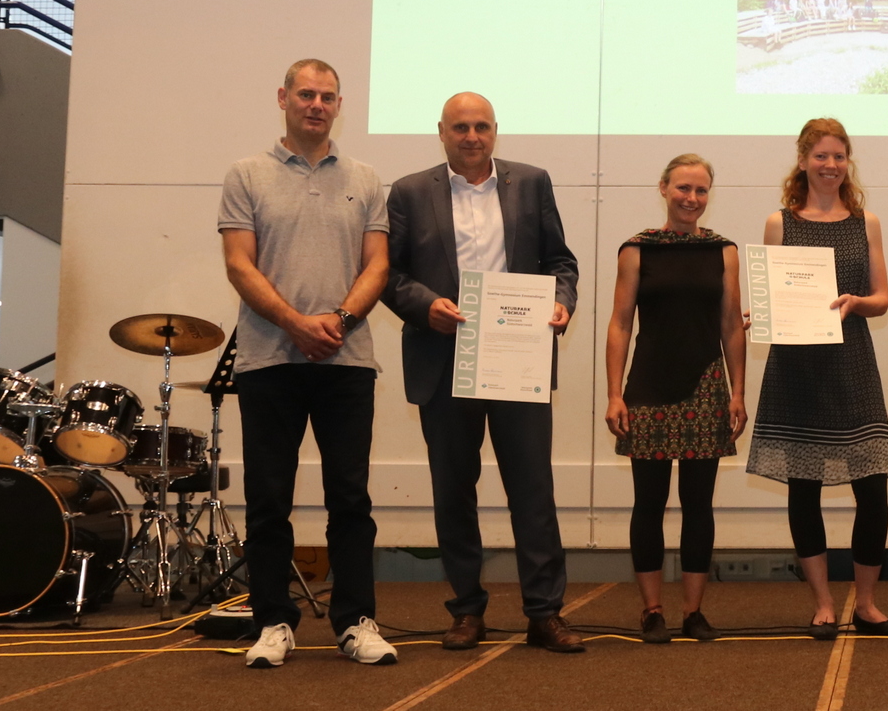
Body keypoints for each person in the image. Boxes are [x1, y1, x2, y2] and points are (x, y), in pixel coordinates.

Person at [381, 93, 584, 653]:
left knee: (533, 491)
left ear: (496, 131)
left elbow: (560, 262)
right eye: (460, 127)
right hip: (442, 359)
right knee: (454, 493)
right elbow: (389, 273)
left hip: (518, 358)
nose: (472, 136)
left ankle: (545, 613)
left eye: (482, 127)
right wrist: (427, 306)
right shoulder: (409, 191)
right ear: (441, 133)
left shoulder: (532, 182)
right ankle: (467, 611)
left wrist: (561, 303)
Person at [217, 59, 394, 668]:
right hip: (269, 360)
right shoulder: (246, 174)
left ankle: (356, 622)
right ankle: (272, 621)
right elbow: (240, 264)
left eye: (327, 96)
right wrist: (296, 324)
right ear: (283, 99)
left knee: (351, 498)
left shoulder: (367, 178)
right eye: (306, 94)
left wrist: (338, 323)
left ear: (339, 105)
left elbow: (377, 266)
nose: (316, 104)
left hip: (347, 361)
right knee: (269, 498)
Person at [747, 118, 888, 639]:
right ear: (803, 160)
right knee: (803, 489)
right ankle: (823, 603)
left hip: (853, 365)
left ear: (847, 162)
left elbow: (882, 299)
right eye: (821, 156)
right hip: (796, 370)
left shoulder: (866, 222)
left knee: (873, 489)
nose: (830, 165)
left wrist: (856, 303)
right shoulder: (778, 223)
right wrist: (759, 314)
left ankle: (868, 604)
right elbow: (768, 297)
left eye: (839, 156)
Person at [605, 155, 748, 644]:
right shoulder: (636, 250)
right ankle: (651, 610)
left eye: (701, 190)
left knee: (698, 506)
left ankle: (692, 611)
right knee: (648, 504)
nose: (692, 198)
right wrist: (613, 393)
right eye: (683, 188)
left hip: (707, 389)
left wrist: (739, 392)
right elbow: (620, 323)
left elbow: (731, 325)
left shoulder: (724, 251)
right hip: (646, 391)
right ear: (663, 188)